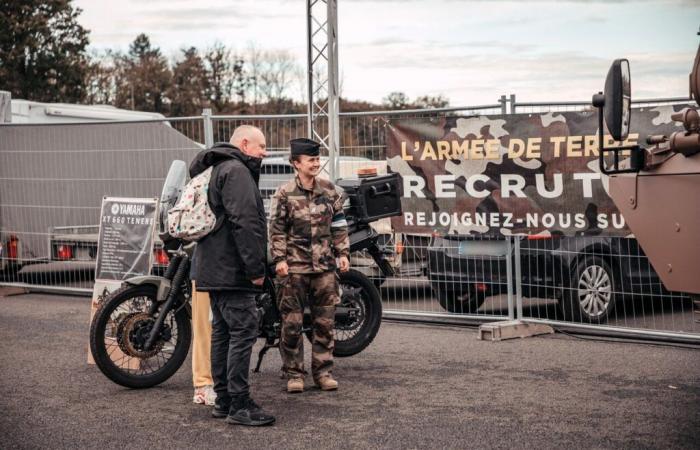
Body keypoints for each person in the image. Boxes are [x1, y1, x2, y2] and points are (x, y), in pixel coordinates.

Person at [189, 125, 275, 426]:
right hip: (232, 268)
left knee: (224, 333)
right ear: (245, 143)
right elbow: (246, 224)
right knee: (243, 332)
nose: (265, 153)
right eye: (262, 147)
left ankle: (224, 400)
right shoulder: (236, 171)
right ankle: (239, 403)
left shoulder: (217, 168)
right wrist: (256, 270)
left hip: (214, 267)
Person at [268, 137, 350, 394]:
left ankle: (323, 373)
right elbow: (277, 230)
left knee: (324, 323)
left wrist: (343, 252)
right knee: (291, 324)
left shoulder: (329, 190)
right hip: (294, 269)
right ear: (296, 163)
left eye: (317, 159)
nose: (316, 163)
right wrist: (280, 260)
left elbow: (338, 223)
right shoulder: (284, 193)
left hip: (325, 268)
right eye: (310, 159)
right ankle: (294, 373)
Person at [190, 280, 216, 406]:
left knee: (207, 328)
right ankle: (203, 383)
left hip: (225, 272)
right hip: (207, 273)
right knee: (204, 328)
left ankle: (205, 382)